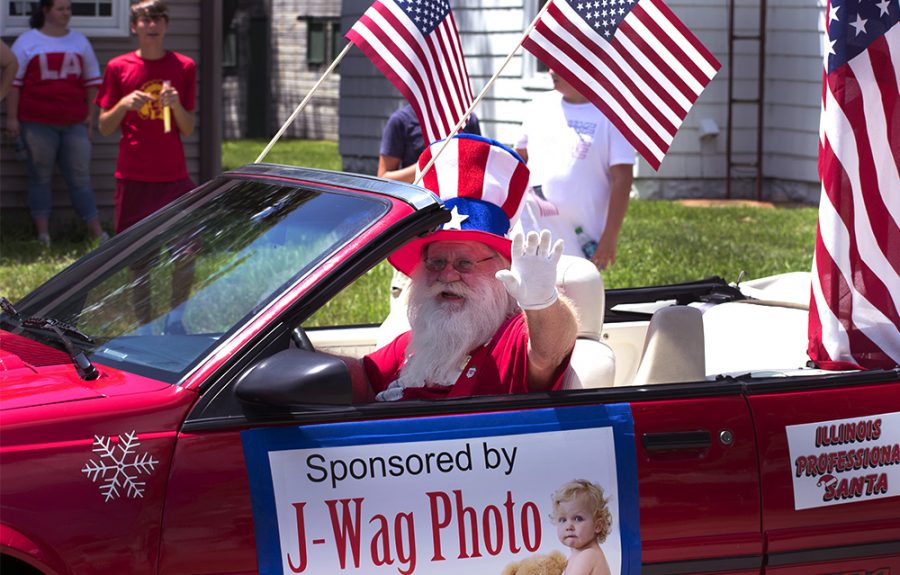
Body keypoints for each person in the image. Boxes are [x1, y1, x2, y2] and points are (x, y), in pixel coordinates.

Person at [350, 134, 577, 402]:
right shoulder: (420, 339)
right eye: (436, 262)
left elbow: (550, 352)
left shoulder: (513, 336)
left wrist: (542, 301)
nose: (447, 275)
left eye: (464, 263)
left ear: (501, 268)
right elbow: (360, 377)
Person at [96, 0, 196, 329]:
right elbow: (104, 127)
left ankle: (175, 320)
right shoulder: (118, 67)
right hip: (133, 177)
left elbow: (187, 127)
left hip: (173, 178)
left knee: (186, 253)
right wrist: (123, 104)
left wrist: (176, 104)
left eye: (158, 18)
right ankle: (146, 325)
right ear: (134, 26)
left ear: (165, 25)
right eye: (144, 19)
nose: (152, 24)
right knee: (140, 261)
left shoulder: (183, 67)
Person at [5, 0, 107, 246]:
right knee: (39, 177)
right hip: (36, 123)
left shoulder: (79, 41)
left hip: (74, 123)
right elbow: (14, 84)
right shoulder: (27, 41)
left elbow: (92, 81)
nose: (66, 13)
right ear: (45, 10)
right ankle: (43, 236)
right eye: (60, 8)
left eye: (69, 9)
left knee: (81, 178)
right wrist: (12, 117)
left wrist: (91, 115)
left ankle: (97, 233)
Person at [514, 70, 635, 271]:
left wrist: (610, 236)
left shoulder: (611, 116)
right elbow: (518, 158)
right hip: (531, 227)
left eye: (560, 64)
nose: (552, 71)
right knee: (530, 292)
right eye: (550, 64)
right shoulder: (538, 107)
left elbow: (622, 178)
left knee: (574, 295)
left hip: (581, 238)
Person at [377, 103, 481, 183]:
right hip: (420, 205)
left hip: (460, 205)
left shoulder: (468, 119)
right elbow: (383, 179)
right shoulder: (400, 121)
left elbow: (479, 167)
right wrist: (429, 163)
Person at [550, 479, 613, 575]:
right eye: (563, 520)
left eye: (578, 519)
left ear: (597, 526)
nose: (569, 526)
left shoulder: (588, 555)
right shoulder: (578, 555)